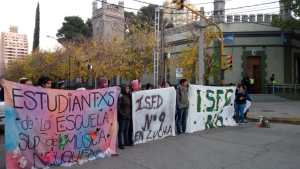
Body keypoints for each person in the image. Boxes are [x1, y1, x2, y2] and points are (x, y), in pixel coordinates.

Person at [117, 84, 132, 149]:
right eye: (126, 88)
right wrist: (122, 113)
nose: (128, 90)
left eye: (128, 88)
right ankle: (121, 143)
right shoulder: (121, 96)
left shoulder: (129, 96)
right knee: (121, 130)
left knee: (126, 129)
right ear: (124, 89)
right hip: (122, 116)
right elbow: (118, 106)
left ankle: (126, 142)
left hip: (128, 116)